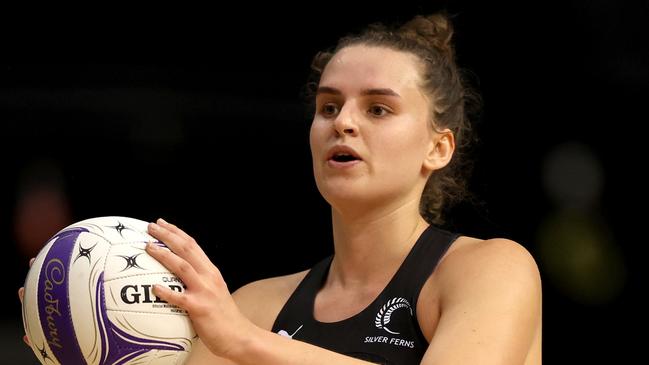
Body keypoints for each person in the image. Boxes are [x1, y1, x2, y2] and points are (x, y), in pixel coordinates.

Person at [21, 12, 542, 365]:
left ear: (439, 148)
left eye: (378, 108)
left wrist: (246, 344)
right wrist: (80, 338)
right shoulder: (253, 306)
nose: (344, 123)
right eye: (329, 106)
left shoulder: (490, 269)